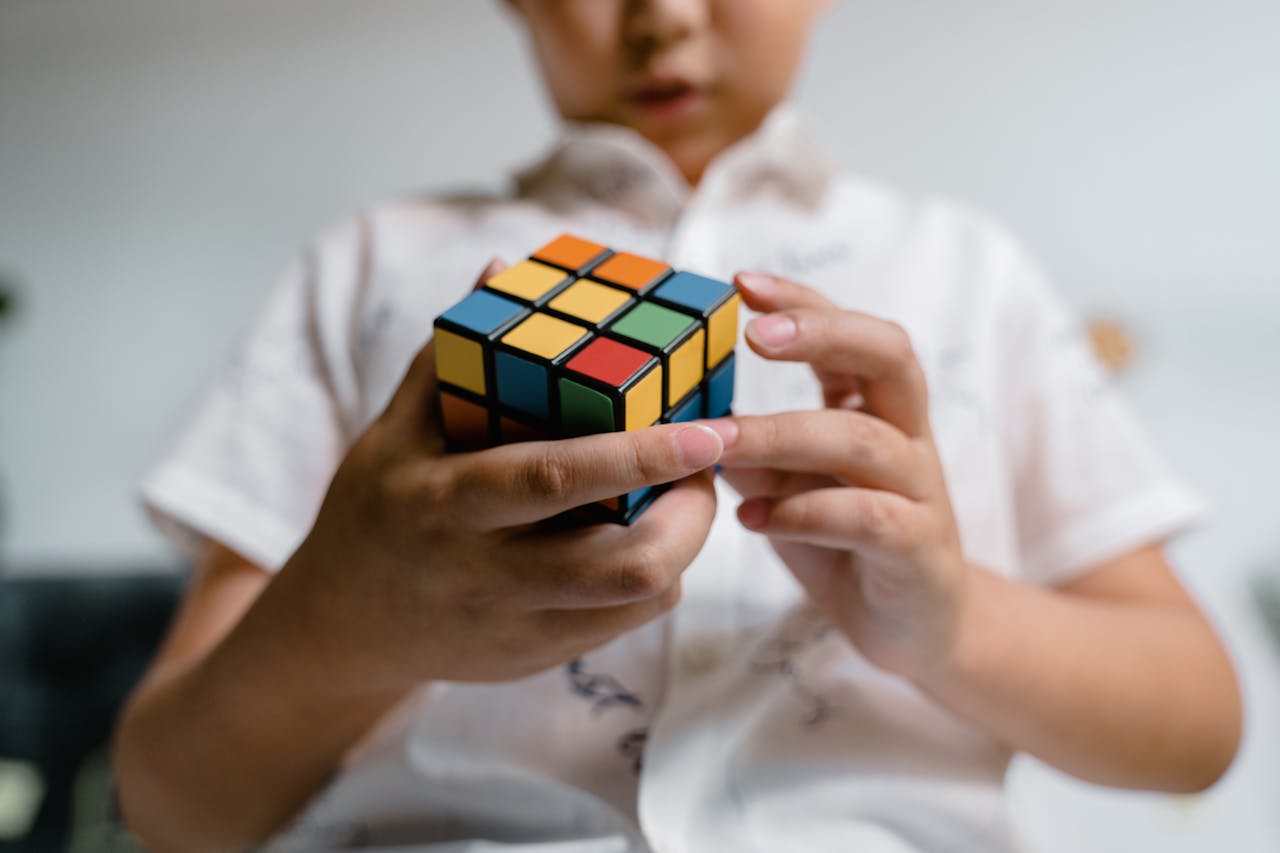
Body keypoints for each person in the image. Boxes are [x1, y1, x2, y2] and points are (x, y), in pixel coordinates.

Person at [112, 2, 1242, 852]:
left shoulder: (969, 270)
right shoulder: (364, 263)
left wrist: (947, 626)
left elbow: (1195, 723)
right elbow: (173, 806)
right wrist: (343, 627)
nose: (660, 16)